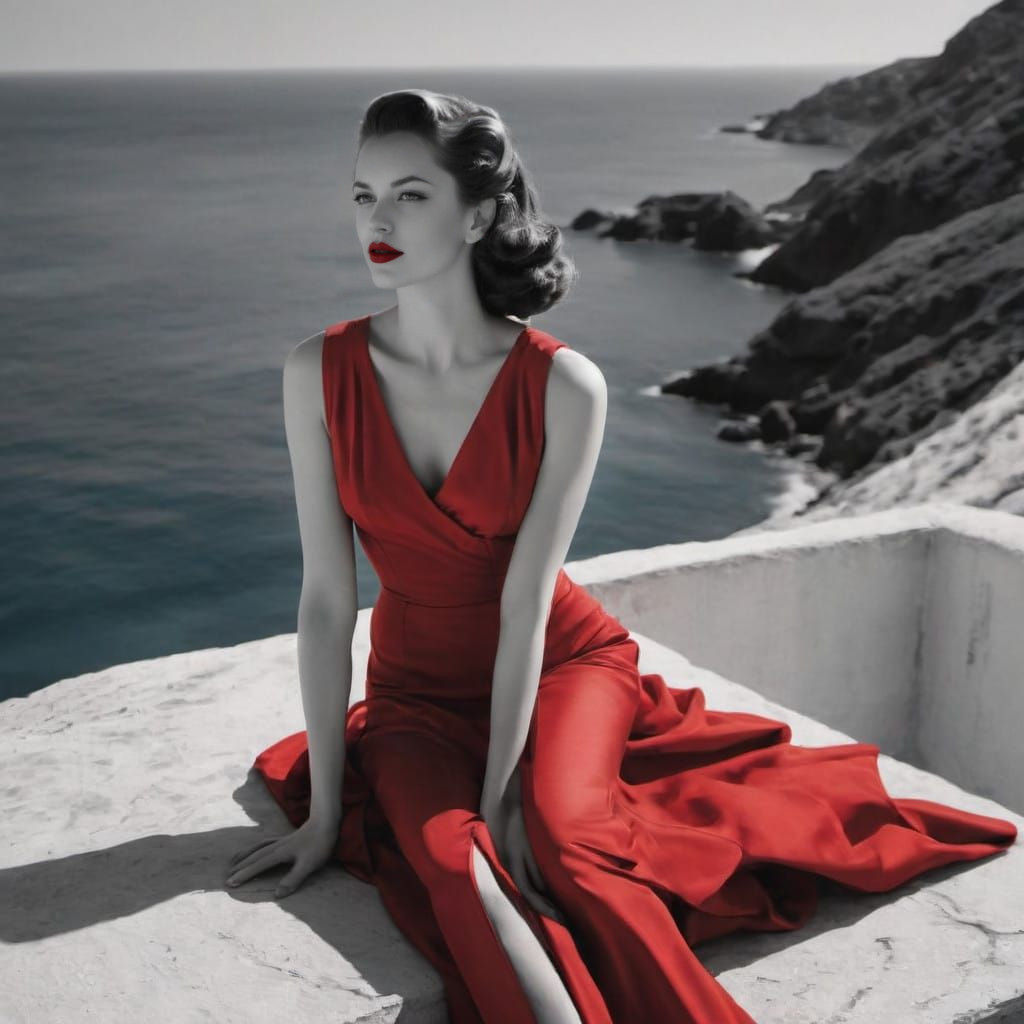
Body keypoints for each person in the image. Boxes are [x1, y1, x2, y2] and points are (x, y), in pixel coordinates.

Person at [225, 89, 1017, 1024]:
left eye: (410, 195)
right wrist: (324, 817)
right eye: (362, 196)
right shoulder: (316, 372)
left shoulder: (563, 385)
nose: (378, 221)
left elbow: (526, 603)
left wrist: (502, 790)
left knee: (568, 846)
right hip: (411, 696)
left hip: (564, 664)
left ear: (478, 214)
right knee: (455, 867)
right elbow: (325, 598)